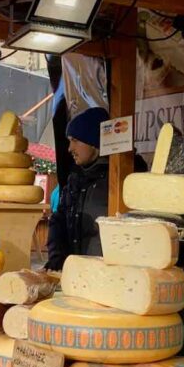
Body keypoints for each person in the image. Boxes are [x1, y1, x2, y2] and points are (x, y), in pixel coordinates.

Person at [47, 106, 145, 270]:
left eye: (75, 140)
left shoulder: (125, 179)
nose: (70, 148)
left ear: (94, 142)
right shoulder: (75, 179)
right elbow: (59, 219)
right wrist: (56, 257)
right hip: (76, 275)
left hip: (110, 277)